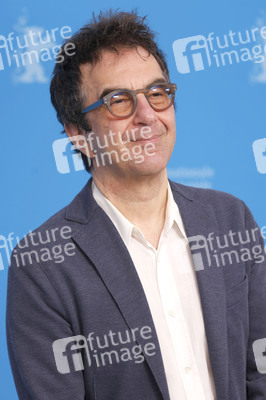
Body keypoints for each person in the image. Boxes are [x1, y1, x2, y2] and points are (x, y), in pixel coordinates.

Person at [6, 10, 266, 400]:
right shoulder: (42, 265)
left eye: (157, 93)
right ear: (78, 134)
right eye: (118, 101)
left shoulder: (230, 219)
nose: (148, 116)